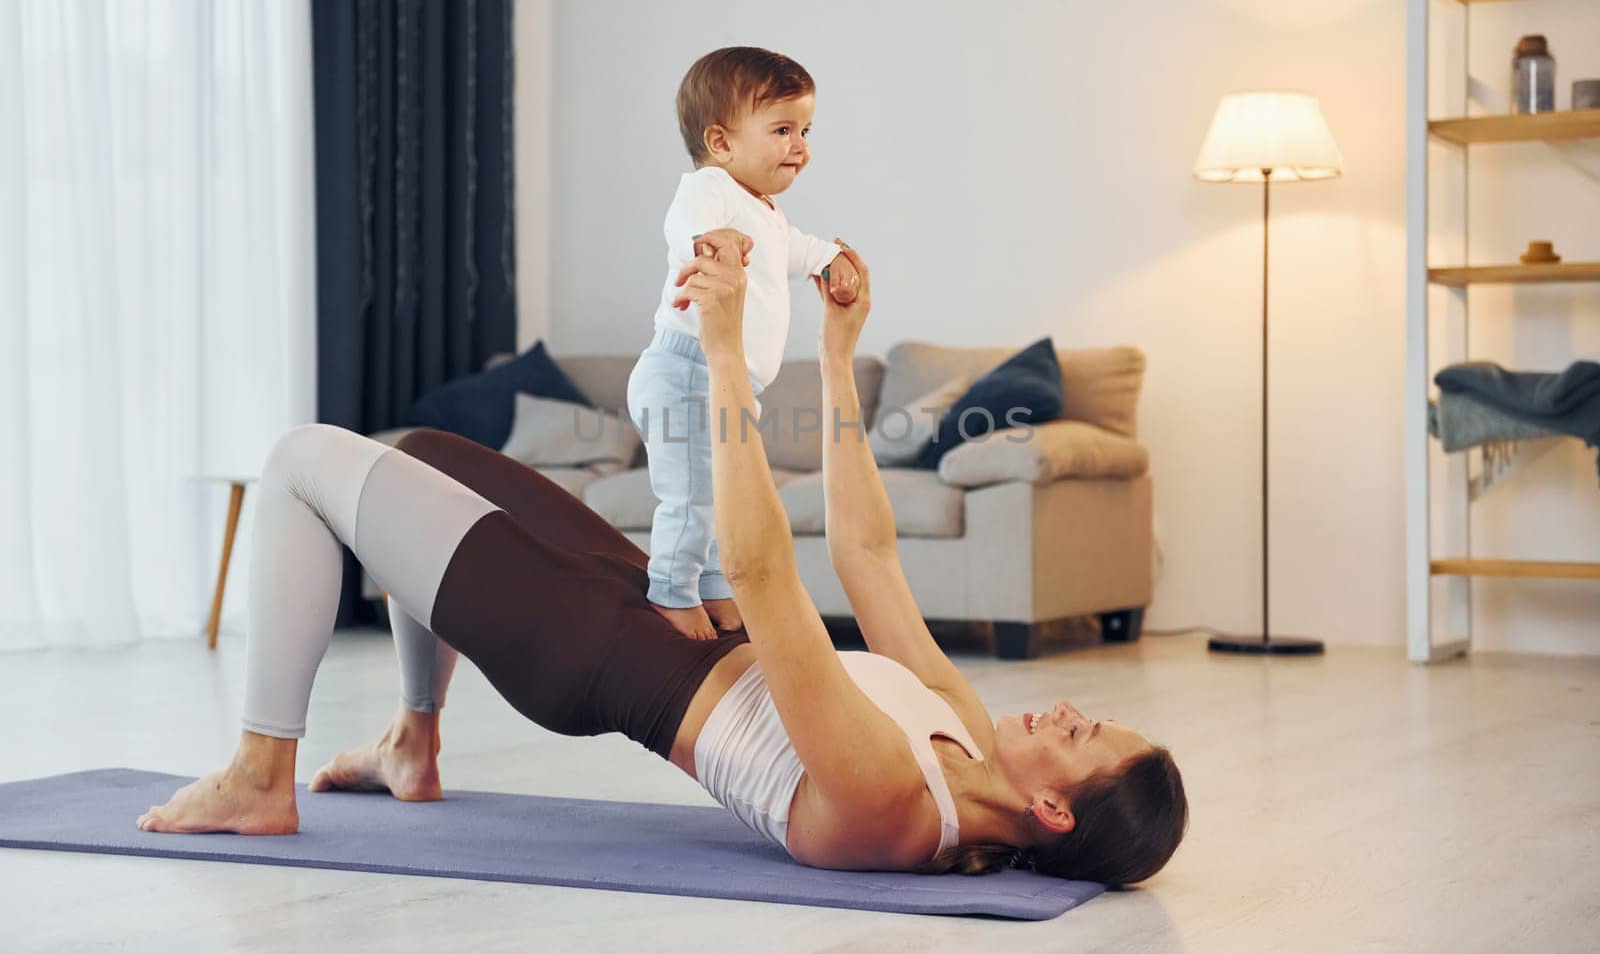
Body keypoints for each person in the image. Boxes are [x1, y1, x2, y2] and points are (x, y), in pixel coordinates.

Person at [136, 238, 1187, 885]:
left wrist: (724, 354)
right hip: (657, 611)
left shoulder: (894, 803)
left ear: (1053, 810)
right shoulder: (956, 727)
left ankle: (257, 775)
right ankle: (412, 741)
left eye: (1082, 735)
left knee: (301, 459)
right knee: (413, 456)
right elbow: (865, 554)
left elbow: (767, 575)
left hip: (594, 651)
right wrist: (835, 350)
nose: (1064, 710)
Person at [627, 45, 861, 642]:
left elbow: (795, 249)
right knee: (694, 494)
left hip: (731, 386)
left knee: (724, 494)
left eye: (805, 129)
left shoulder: (767, 212)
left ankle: (711, 586)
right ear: (722, 142)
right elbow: (683, 224)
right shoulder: (709, 190)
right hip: (684, 372)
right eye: (782, 129)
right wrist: (711, 238)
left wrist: (832, 259)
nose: (800, 146)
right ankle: (671, 594)